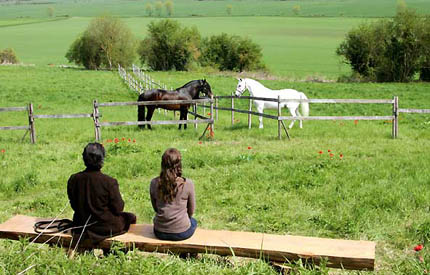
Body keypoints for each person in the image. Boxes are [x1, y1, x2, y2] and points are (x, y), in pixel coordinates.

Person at [67, 142, 136, 244]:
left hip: (81, 225)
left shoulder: (74, 179)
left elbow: (74, 204)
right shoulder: (109, 182)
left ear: (84, 159)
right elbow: (118, 208)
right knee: (130, 217)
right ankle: (113, 252)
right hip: (104, 228)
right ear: (102, 159)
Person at [150, 148, 197, 241]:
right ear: (179, 165)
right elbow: (191, 211)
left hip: (159, 231)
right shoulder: (187, 184)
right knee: (194, 221)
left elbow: (156, 208)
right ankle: (187, 254)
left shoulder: (154, 183)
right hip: (181, 232)